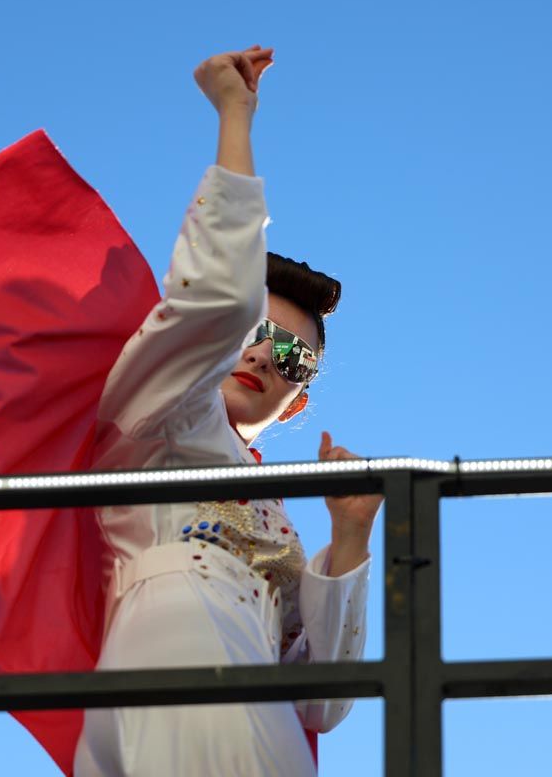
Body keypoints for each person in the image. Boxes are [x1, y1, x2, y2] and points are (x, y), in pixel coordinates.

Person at [72, 44, 384, 776]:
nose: (265, 356)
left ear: (298, 401)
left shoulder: (276, 513)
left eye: (293, 358)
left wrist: (348, 538)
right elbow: (214, 296)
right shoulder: (161, 405)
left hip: (248, 688)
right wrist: (235, 116)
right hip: (173, 636)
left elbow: (325, 702)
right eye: (256, 332)